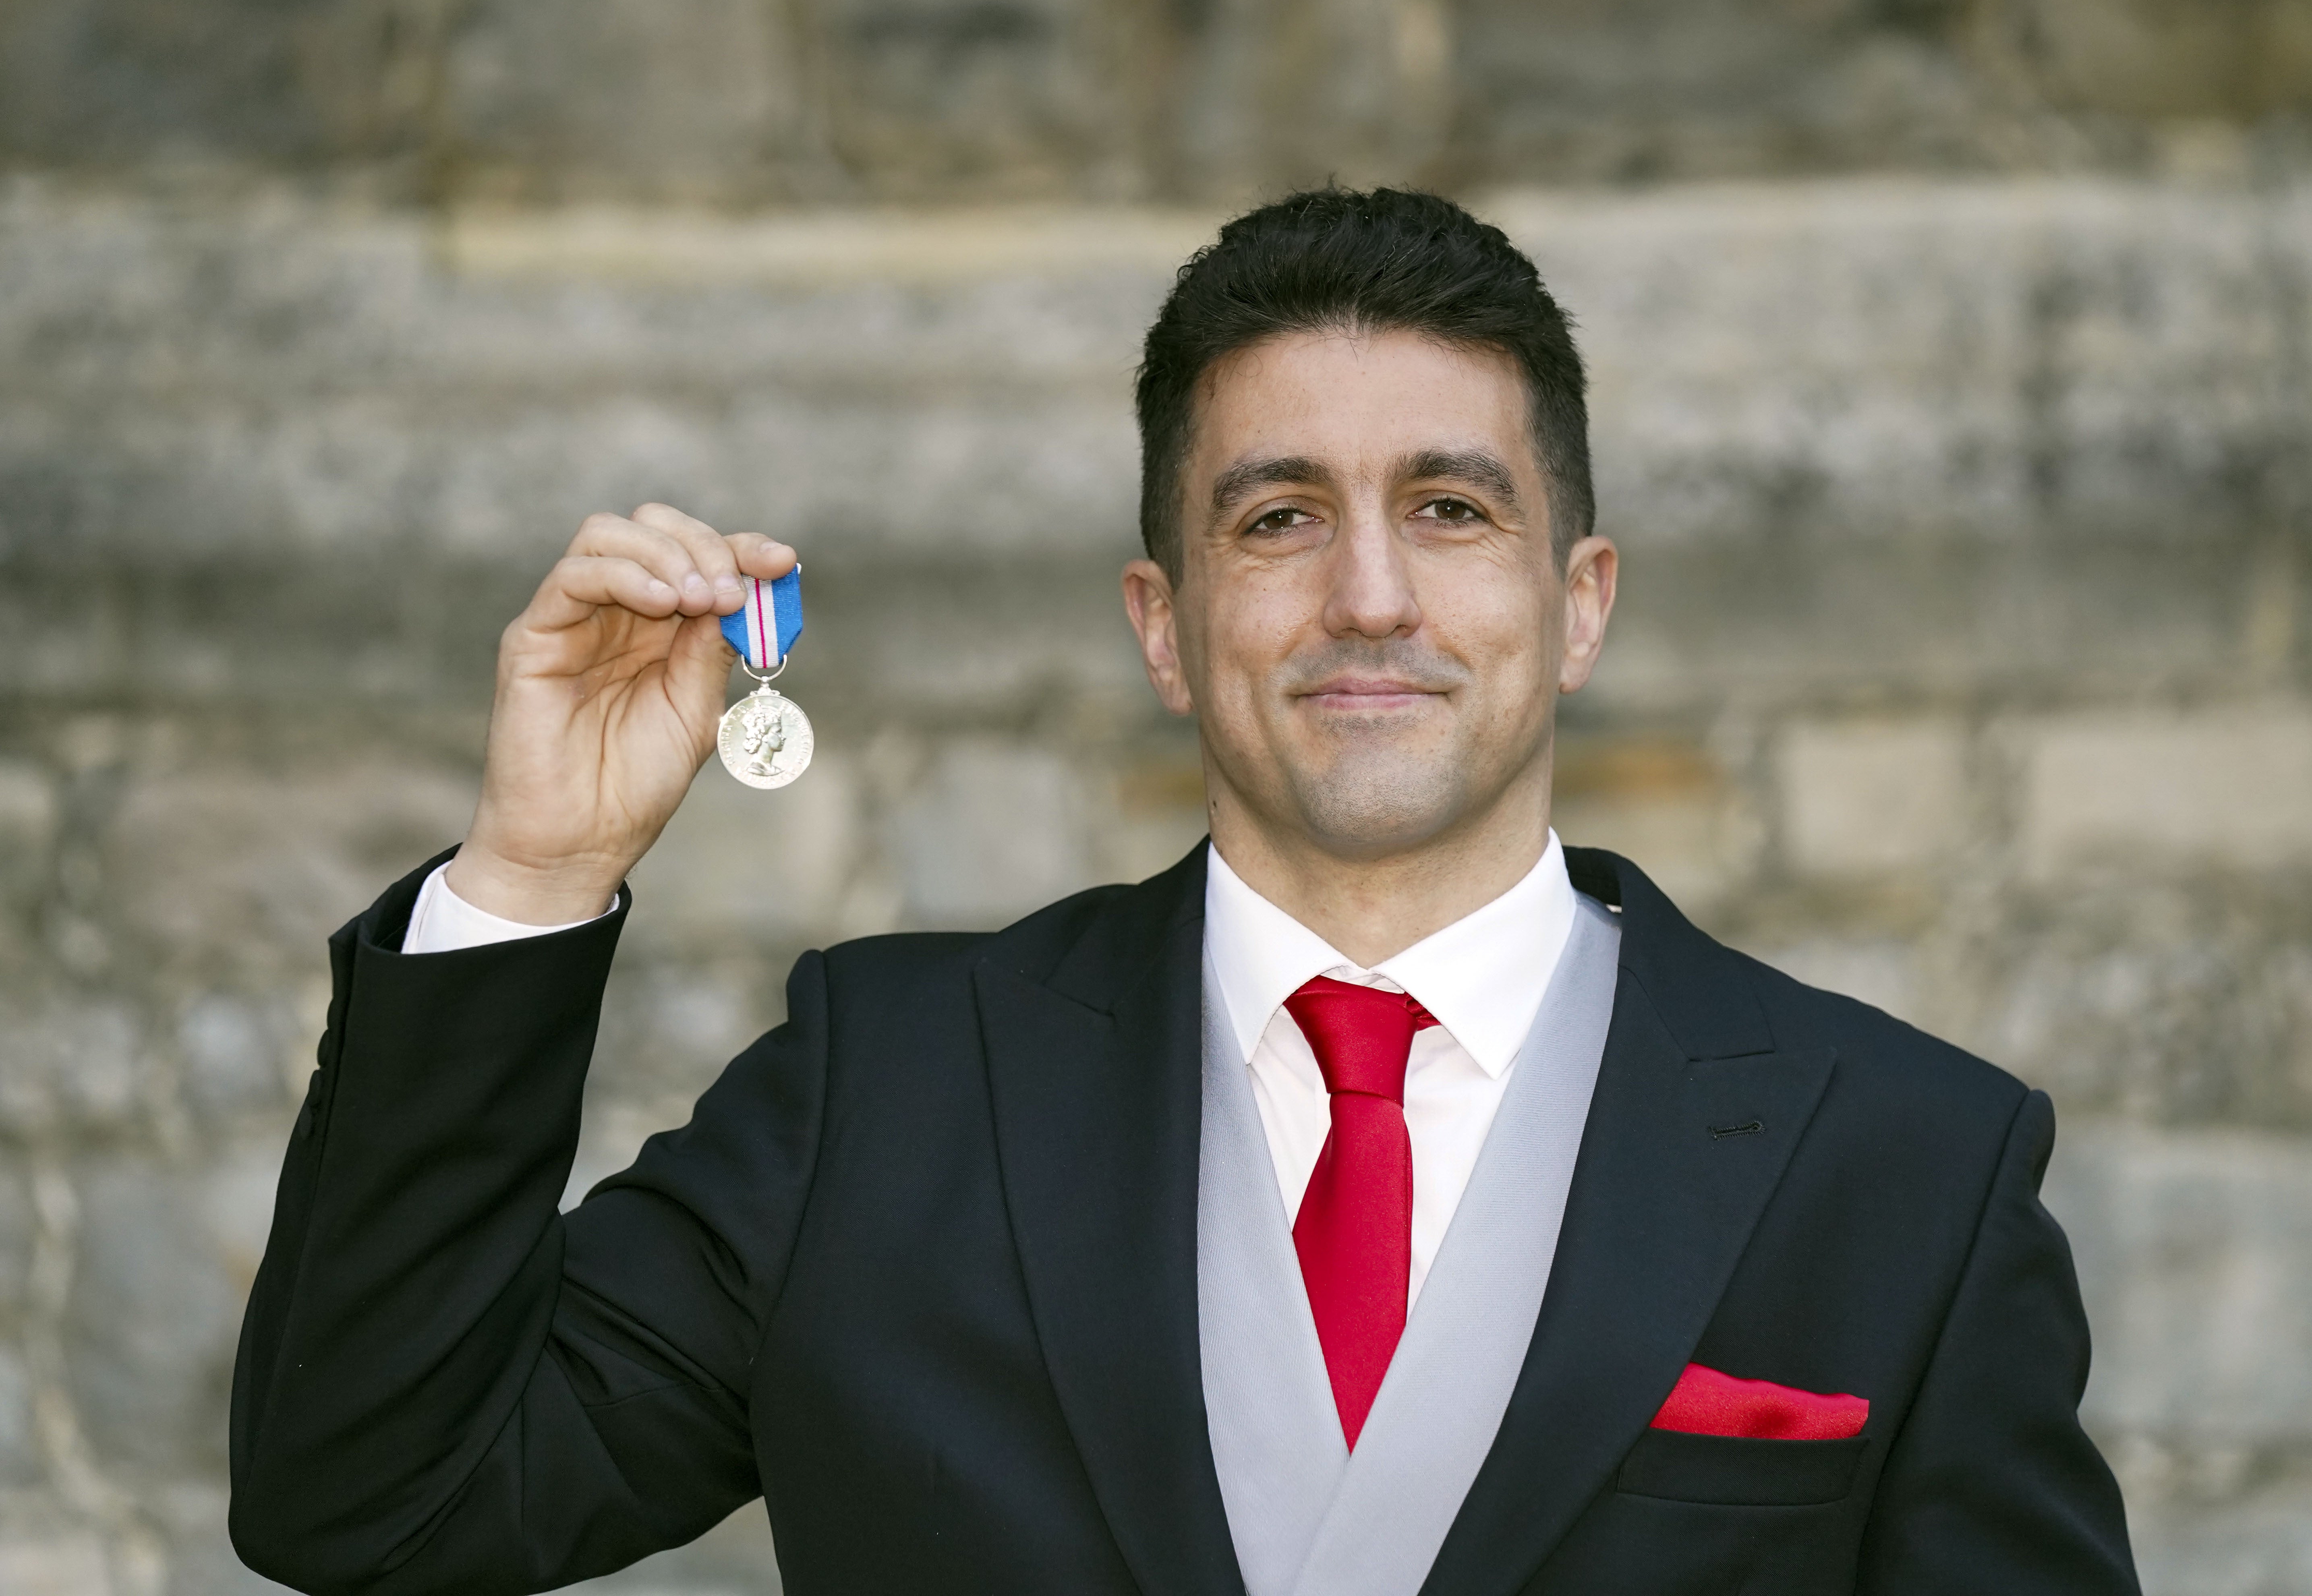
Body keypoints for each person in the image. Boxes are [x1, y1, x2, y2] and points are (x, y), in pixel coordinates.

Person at [228, 188, 2138, 1596]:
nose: (1368, 596)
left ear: (1581, 603)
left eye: (1453, 510)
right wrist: (534, 874)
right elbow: (378, 1498)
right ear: (1166, 623)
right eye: (1278, 515)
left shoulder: (1907, 1165)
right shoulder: (884, 1092)